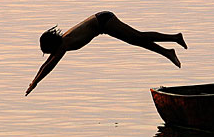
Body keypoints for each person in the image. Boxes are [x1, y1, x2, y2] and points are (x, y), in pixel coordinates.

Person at [25, 11, 187, 96]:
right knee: (137, 40)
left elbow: (49, 66)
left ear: (51, 45)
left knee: (138, 37)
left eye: (46, 51)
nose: (48, 55)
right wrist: (34, 81)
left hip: (104, 21)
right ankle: (168, 52)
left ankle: (174, 38)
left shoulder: (63, 45)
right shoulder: (62, 44)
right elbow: (46, 64)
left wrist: (35, 83)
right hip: (102, 21)